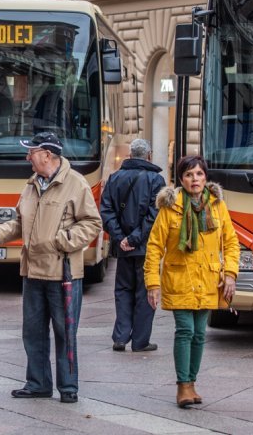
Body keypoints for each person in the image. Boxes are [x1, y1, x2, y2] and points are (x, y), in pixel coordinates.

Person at [0, 132, 102, 404]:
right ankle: (37, 384)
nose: (27, 157)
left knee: (64, 332)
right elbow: (20, 223)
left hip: (63, 272)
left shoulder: (76, 184)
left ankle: (68, 386)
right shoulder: (31, 184)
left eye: (31, 152)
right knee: (33, 333)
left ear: (47, 155)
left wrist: (63, 241)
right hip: (32, 272)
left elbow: (92, 223)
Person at [143, 155, 240, 408]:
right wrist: (152, 284)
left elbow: (231, 243)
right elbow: (154, 247)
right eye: (188, 175)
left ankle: (192, 384)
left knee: (199, 334)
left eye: (198, 174)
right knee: (185, 331)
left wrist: (230, 274)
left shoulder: (217, 206)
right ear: (181, 179)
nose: (194, 179)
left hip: (208, 278)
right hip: (180, 277)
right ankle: (182, 386)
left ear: (205, 177)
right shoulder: (170, 207)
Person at [99, 138, 165, 353]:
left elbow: (106, 210)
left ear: (130, 155)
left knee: (123, 290)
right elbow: (153, 216)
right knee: (145, 292)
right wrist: (135, 239)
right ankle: (140, 340)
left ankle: (120, 337)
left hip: (123, 247)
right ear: (149, 155)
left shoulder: (115, 177)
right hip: (146, 247)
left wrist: (120, 238)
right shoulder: (156, 180)